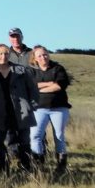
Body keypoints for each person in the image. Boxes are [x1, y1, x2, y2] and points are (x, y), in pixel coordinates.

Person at [0, 44, 39, 173]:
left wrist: (32, 105)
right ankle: (3, 163)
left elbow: (33, 89)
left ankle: (25, 166)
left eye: (6, 53)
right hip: (0, 112)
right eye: (0, 54)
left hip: (21, 111)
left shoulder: (21, 70)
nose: (3, 56)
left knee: (24, 141)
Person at [29, 45, 71, 174]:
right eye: (40, 56)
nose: (43, 57)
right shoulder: (32, 71)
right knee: (35, 135)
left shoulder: (58, 68)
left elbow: (59, 86)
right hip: (39, 108)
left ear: (49, 54)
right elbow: (31, 85)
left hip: (58, 108)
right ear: (35, 58)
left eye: (45, 54)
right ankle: (38, 163)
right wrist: (49, 84)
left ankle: (61, 165)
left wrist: (40, 89)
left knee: (58, 135)